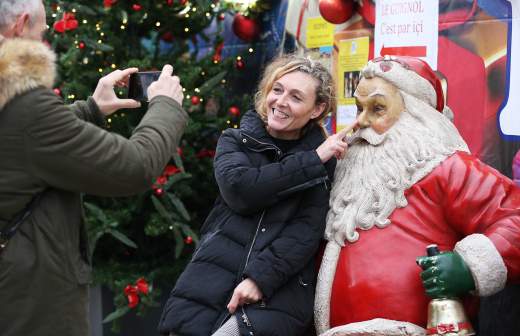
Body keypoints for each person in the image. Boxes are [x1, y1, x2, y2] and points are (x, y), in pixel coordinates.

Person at [0, 1, 188, 335]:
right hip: (27, 300)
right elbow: (135, 166)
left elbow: (20, 143)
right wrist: (166, 106)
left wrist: (90, 109)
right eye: (42, 32)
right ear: (21, 24)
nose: (44, 42)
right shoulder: (23, 104)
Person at [314, 55, 520, 335]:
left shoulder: (449, 168)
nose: (361, 121)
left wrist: (468, 266)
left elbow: (514, 216)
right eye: (360, 108)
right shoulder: (346, 168)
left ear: (416, 115)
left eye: (377, 108)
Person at [158, 54, 353, 336]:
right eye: (277, 89)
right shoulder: (235, 140)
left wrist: (260, 279)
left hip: (278, 290)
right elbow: (242, 189)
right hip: (211, 277)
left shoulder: (325, 162)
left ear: (316, 109)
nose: (281, 101)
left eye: (296, 97)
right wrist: (312, 161)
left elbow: (304, 233)